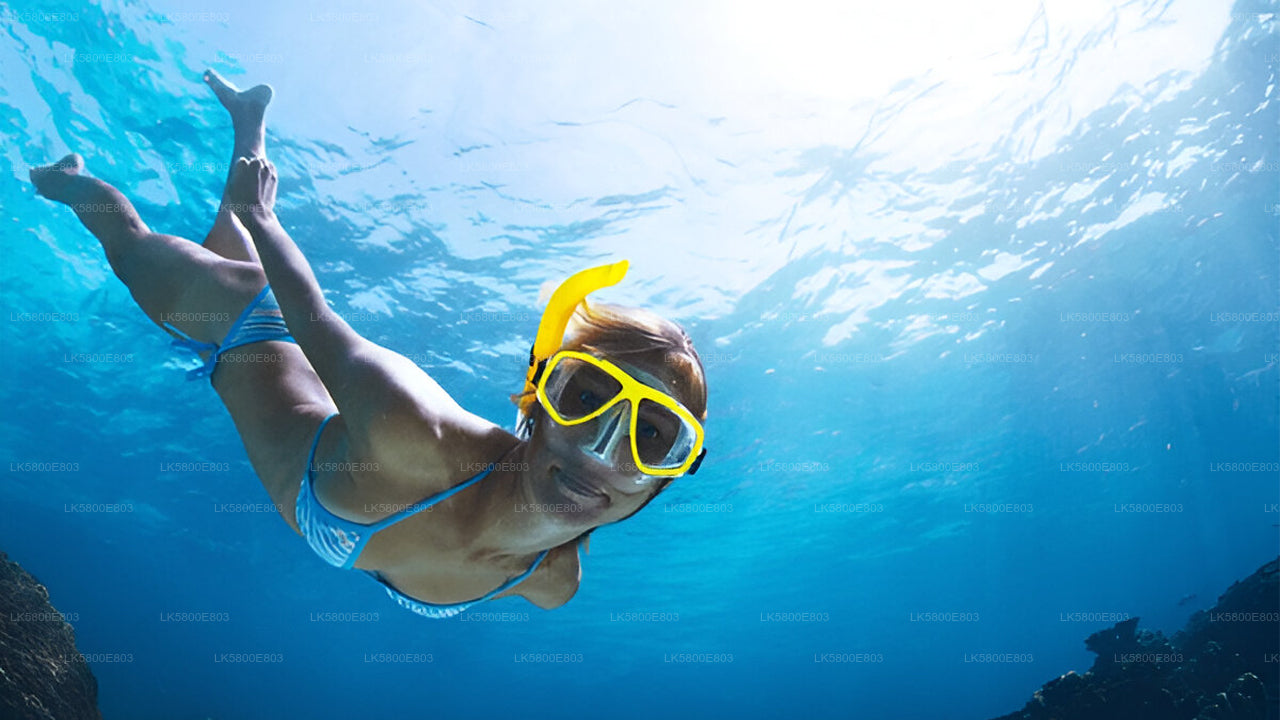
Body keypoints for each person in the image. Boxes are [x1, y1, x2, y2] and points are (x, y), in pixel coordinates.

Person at [29, 71, 708, 618]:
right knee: (131, 250)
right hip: (247, 321)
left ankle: (248, 121)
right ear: (537, 397)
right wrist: (261, 218)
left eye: (654, 436)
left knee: (221, 245)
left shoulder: (551, 583)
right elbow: (311, 318)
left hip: (298, 380)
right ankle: (61, 180)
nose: (603, 449)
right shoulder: (412, 431)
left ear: (667, 479)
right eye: (585, 398)